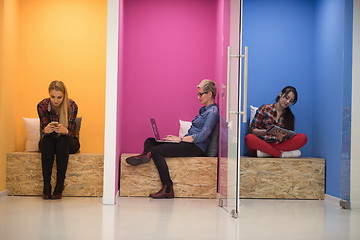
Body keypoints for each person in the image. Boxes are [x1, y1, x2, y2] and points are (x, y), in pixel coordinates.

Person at [125, 79, 219, 199]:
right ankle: (145, 155)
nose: (198, 97)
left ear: (210, 94)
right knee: (150, 141)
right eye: (198, 94)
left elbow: (202, 135)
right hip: (189, 143)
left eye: (200, 94)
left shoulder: (212, 112)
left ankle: (168, 188)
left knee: (156, 151)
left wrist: (179, 139)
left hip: (196, 147)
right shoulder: (204, 110)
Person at [37, 81, 80, 200]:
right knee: (48, 141)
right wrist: (46, 130)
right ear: (49, 95)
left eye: (59, 97)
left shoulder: (71, 106)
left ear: (64, 95)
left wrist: (65, 130)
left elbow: (71, 132)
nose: (56, 100)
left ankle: (59, 185)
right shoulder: (42, 105)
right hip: (49, 140)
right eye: (53, 97)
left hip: (69, 140)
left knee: (62, 141)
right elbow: (43, 129)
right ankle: (46, 185)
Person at [245, 86, 307, 158]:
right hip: (262, 144)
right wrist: (266, 131)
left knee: (303, 137)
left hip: (279, 145)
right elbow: (253, 130)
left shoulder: (290, 117)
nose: (287, 102)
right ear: (280, 94)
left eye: (291, 101)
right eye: (286, 98)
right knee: (249, 138)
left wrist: (281, 138)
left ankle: (268, 153)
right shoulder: (264, 109)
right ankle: (279, 154)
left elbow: (288, 136)